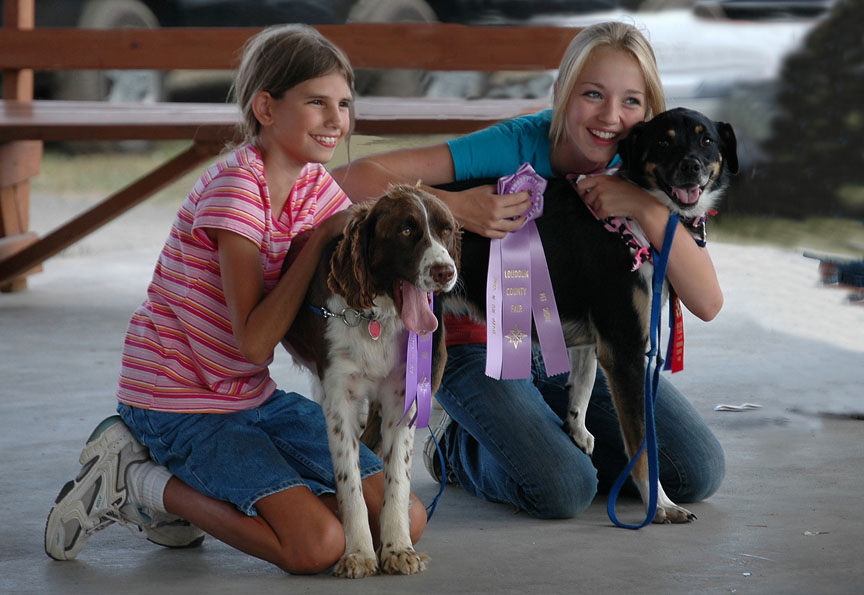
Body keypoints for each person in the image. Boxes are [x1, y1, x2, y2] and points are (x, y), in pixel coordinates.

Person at [44, 24, 426, 573]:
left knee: (403, 519)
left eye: (344, 103)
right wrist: (320, 238)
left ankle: (265, 503)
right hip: (178, 402)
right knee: (315, 547)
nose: (336, 120)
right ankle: (137, 479)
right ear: (265, 108)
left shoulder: (316, 186)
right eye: (316, 102)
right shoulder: (236, 190)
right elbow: (252, 342)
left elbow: (348, 272)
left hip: (252, 398)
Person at [332, 21, 726, 519]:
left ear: (650, 113)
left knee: (697, 470)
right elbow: (354, 179)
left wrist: (645, 209)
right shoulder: (518, 143)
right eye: (592, 94)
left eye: (631, 101)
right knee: (563, 488)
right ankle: (453, 447)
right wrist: (458, 207)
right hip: (474, 344)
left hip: (564, 348)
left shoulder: (648, 168)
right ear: (561, 93)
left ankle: (541, 441)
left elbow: (708, 302)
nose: (610, 116)